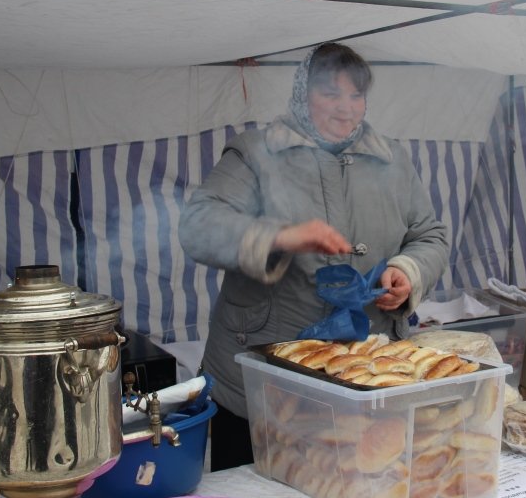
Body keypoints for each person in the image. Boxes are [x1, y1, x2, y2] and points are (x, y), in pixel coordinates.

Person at [178, 42, 450, 470]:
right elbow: (198, 227)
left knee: (353, 487)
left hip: (365, 375)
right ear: (303, 96)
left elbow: (429, 235)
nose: (346, 108)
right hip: (267, 379)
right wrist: (281, 236)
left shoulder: (392, 160)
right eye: (331, 94)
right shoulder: (256, 154)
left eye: (356, 95)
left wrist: (407, 271)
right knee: (259, 496)